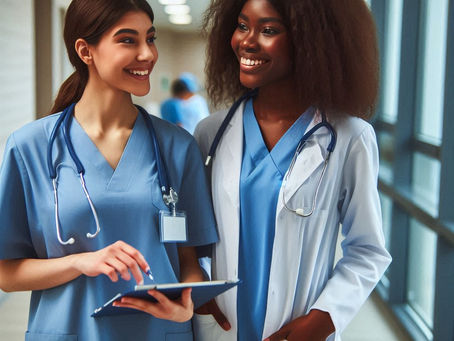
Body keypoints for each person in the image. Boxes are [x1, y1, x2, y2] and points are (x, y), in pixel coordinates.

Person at [0, 0, 218, 340]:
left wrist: (187, 302)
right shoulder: (29, 147)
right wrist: (79, 262)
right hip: (70, 331)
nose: (147, 54)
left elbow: (189, 263)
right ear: (86, 51)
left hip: (159, 332)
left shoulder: (177, 147)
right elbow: (7, 273)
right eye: (128, 40)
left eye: (151, 37)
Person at [193, 0, 392, 340]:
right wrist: (195, 277)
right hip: (223, 326)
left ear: (311, 42)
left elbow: (368, 250)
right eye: (242, 25)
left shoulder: (348, 138)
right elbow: (194, 236)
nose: (247, 41)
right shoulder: (211, 132)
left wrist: (324, 318)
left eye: (268, 30)